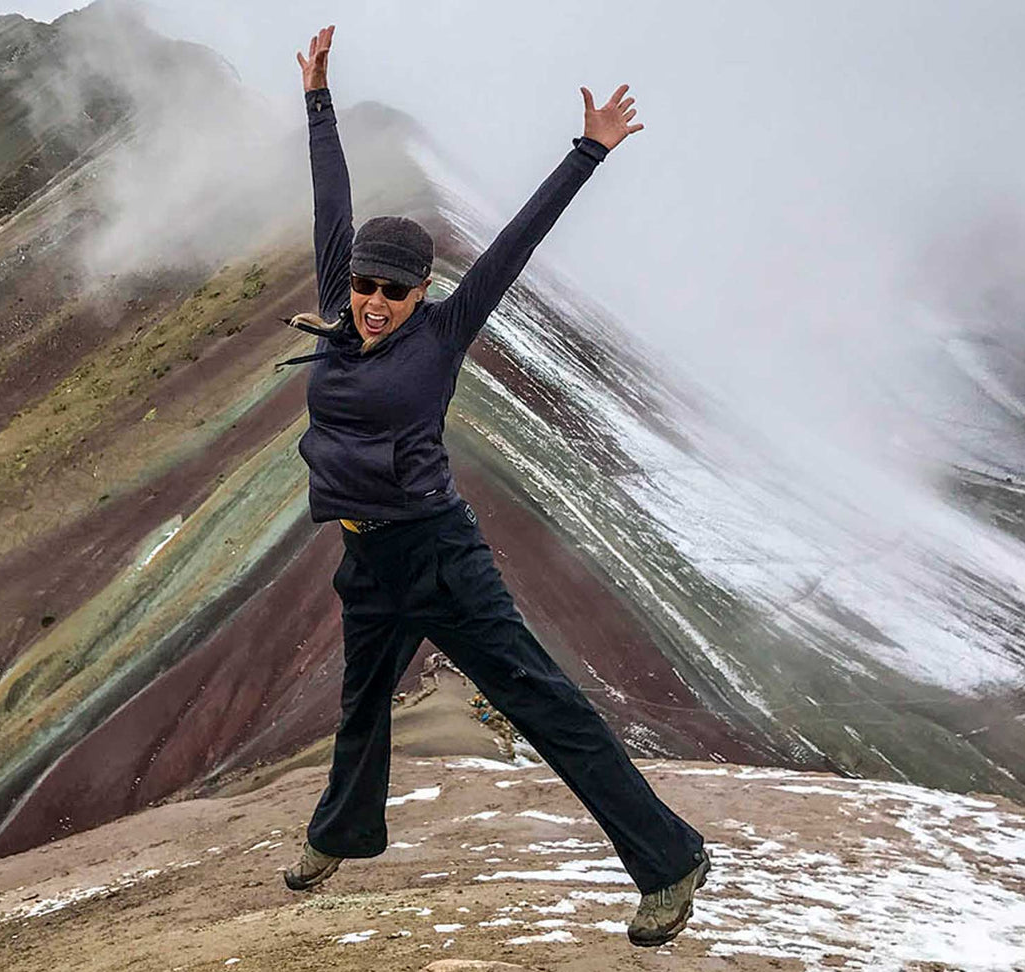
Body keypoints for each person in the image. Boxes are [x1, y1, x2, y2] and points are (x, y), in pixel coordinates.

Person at [278, 25, 712, 948]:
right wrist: (317, 95)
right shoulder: (343, 307)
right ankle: (339, 836)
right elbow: (332, 198)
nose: (373, 302)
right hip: (367, 559)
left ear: (420, 294)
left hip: (438, 556)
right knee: (361, 705)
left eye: (393, 291)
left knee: (541, 703)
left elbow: (516, 242)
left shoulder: (441, 333)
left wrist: (587, 151)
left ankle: (669, 861)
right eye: (363, 285)